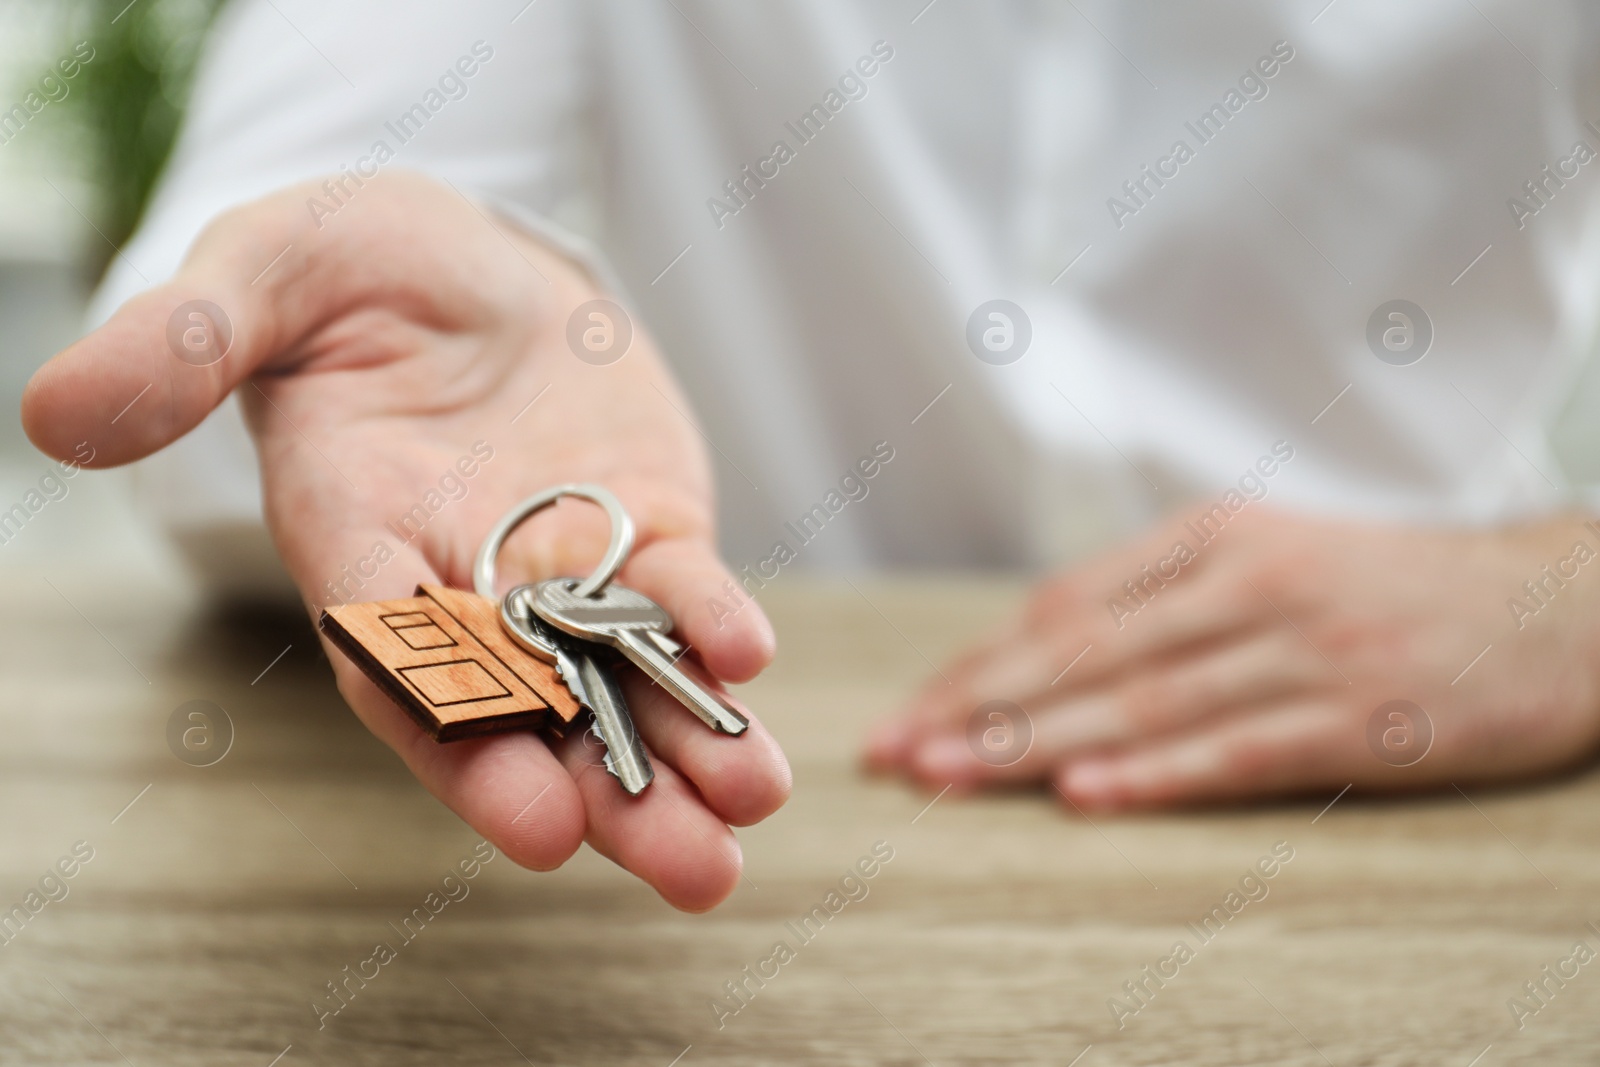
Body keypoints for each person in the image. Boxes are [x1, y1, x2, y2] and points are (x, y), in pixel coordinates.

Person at [21, 1, 1600, 910]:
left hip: (1451, 820)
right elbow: (287, 210)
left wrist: (1573, 594)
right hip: (805, 817)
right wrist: (327, 305)